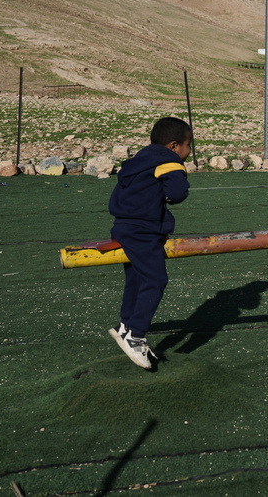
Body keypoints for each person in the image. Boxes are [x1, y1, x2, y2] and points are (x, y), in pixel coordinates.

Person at [107, 117, 192, 368]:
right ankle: (136, 336)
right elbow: (178, 193)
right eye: (189, 145)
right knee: (156, 280)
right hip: (143, 230)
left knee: (136, 277)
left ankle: (125, 326)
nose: (189, 152)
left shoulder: (139, 161)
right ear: (174, 145)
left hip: (122, 226)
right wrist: (167, 194)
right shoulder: (170, 161)